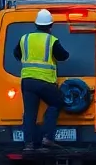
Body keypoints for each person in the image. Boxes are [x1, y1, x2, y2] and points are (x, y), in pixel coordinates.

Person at [13, 9, 69, 149]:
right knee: (57, 102)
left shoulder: (25, 38)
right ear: (50, 26)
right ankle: (47, 137)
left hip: (27, 81)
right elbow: (63, 56)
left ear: (36, 24)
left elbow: (16, 54)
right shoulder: (51, 40)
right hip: (44, 81)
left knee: (30, 113)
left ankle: (28, 144)